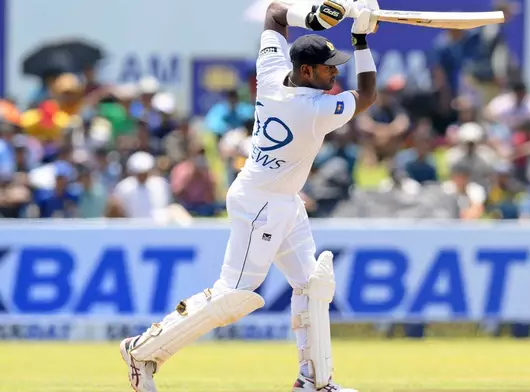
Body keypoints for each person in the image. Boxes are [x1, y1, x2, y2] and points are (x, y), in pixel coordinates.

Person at [119, 1, 378, 391]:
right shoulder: (314, 108)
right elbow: (370, 95)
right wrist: (359, 39)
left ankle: (315, 381)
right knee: (234, 294)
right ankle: (141, 351)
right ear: (306, 71)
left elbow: (274, 12)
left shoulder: (272, 72)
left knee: (313, 286)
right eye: (329, 67)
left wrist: (313, 17)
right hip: (260, 203)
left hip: (281, 198)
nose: (334, 73)